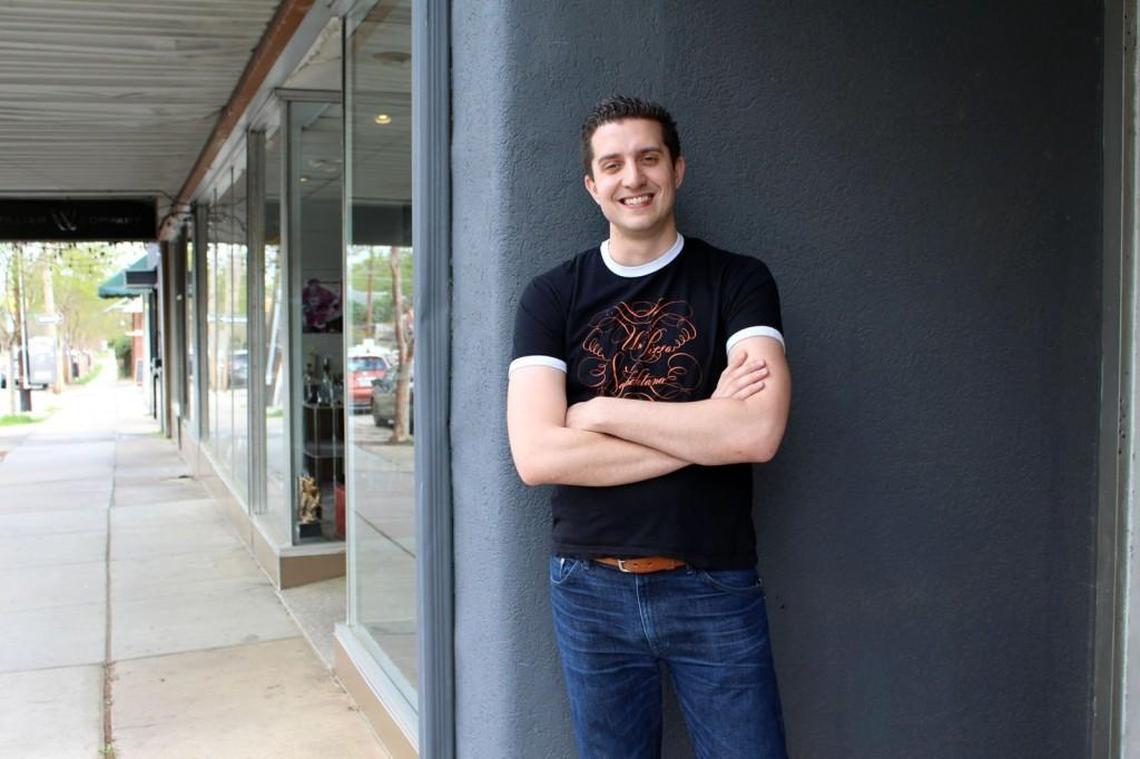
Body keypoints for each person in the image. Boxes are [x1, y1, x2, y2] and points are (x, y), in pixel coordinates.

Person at [507, 95, 792, 759]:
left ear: (677, 169)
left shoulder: (737, 281)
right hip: (588, 587)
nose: (632, 177)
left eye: (648, 158)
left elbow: (756, 433)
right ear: (592, 185)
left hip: (713, 581)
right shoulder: (552, 296)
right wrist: (706, 429)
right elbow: (538, 454)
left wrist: (601, 412)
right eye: (612, 164)